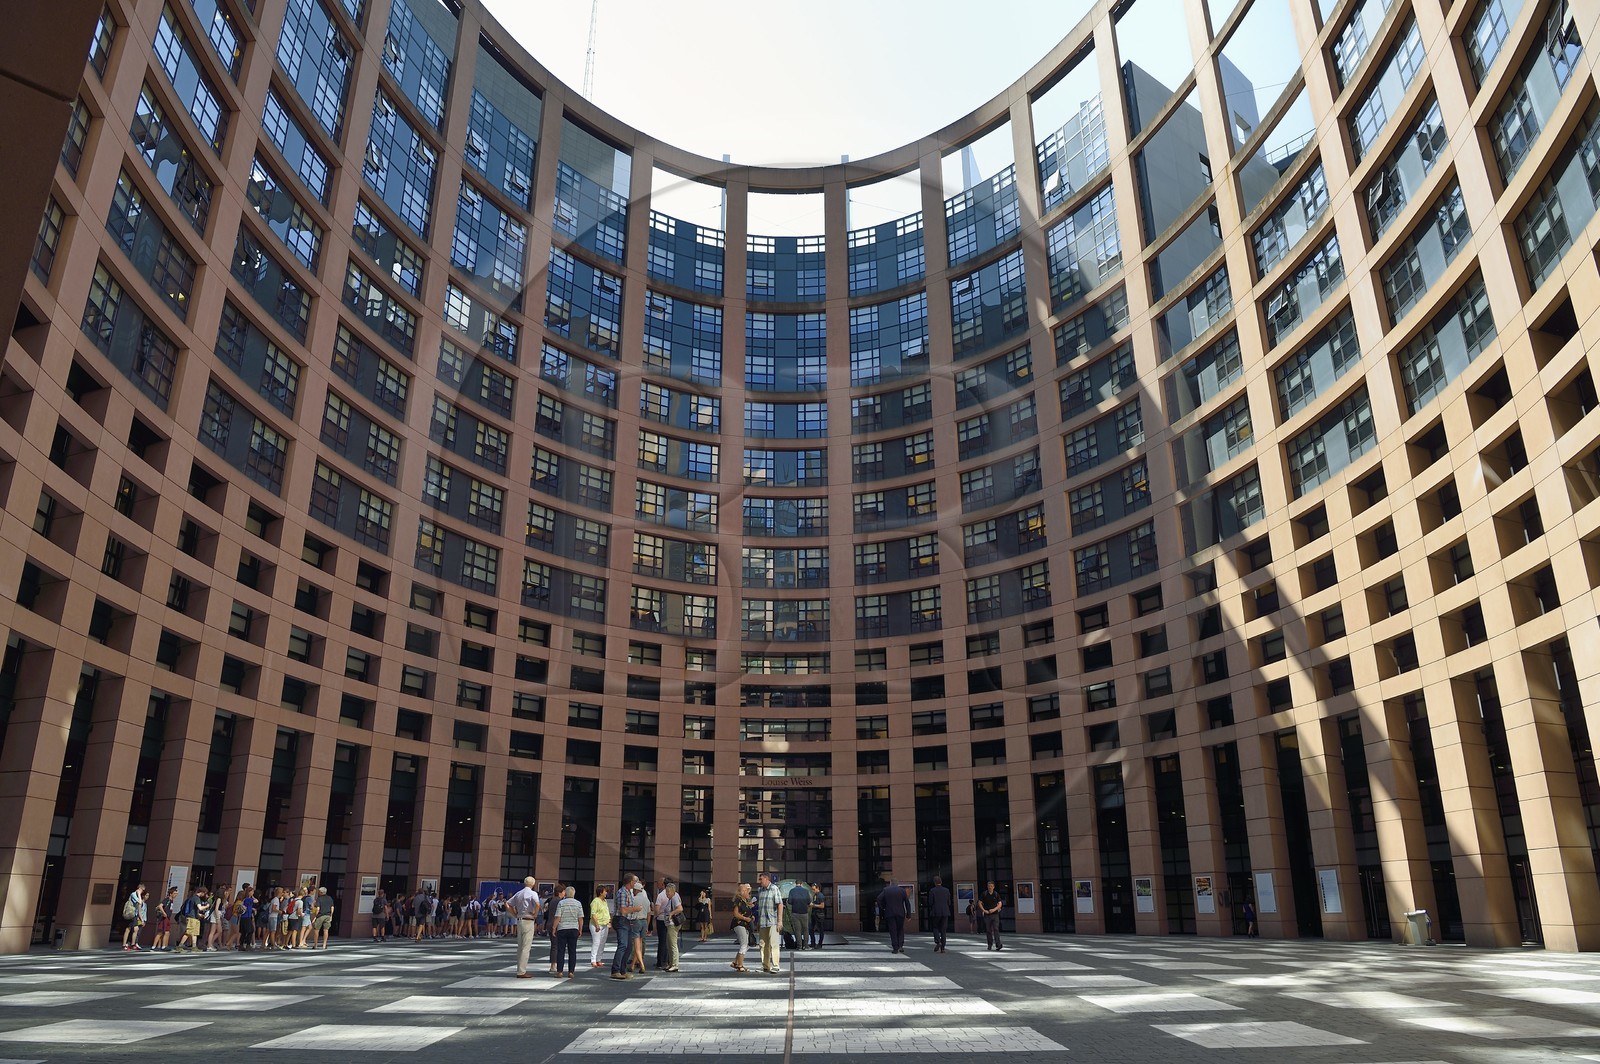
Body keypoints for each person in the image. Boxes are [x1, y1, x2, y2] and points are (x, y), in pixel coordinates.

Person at [610, 875, 647, 980]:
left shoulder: (628, 892)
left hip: (627, 921)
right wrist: (635, 909)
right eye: (634, 881)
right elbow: (623, 910)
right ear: (630, 882)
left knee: (629, 947)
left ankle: (622, 971)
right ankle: (615, 970)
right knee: (623, 945)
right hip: (621, 920)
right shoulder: (622, 892)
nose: (635, 883)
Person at [510, 876, 541, 978]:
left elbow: (508, 904)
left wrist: (514, 914)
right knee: (526, 947)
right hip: (528, 920)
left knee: (520, 946)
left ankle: (519, 969)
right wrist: (535, 914)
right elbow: (537, 904)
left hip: (520, 920)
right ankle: (522, 971)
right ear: (533, 884)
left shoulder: (519, 893)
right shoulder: (533, 893)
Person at [753, 871, 784, 973]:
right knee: (763, 944)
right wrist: (758, 922)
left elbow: (780, 904)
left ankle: (775, 965)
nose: (759, 881)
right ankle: (766, 965)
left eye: (761, 879)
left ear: (766, 879)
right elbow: (760, 907)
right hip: (763, 921)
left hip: (773, 921)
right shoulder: (760, 890)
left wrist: (779, 921)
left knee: (773, 944)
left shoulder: (774, 889)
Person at [552, 886, 584, 978]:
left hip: (562, 928)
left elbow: (558, 917)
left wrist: (554, 928)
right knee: (572, 951)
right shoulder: (578, 903)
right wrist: (580, 929)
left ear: (565, 893)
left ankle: (560, 972)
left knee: (561, 951)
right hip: (574, 928)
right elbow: (580, 918)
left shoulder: (561, 903)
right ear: (574, 894)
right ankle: (571, 972)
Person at [654, 877, 682, 972]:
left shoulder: (674, 898)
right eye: (666, 892)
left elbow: (680, 908)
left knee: (672, 944)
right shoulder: (673, 897)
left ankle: (674, 964)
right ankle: (671, 963)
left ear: (672, 891)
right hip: (669, 924)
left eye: (668, 892)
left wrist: (671, 914)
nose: (666, 894)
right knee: (669, 944)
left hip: (672, 924)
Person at [879, 880, 909, 954]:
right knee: (900, 929)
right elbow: (907, 903)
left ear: (890, 883)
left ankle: (895, 947)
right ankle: (900, 945)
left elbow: (879, 898)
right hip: (900, 913)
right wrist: (909, 914)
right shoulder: (902, 891)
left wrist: (883, 907)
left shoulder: (886, 890)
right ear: (897, 884)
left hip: (890, 913)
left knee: (893, 930)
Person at [729, 883, 753, 972]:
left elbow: (747, 911)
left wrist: (751, 917)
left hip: (745, 924)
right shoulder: (738, 900)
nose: (747, 892)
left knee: (746, 945)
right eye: (745, 891)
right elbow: (735, 914)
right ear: (741, 892)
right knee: (744, 944)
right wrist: (745, 918)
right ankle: (740, 965)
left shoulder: (745, 900)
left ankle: (736, 963)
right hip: (739, 924)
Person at [927, 876, 953, 953]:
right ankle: (943, 948)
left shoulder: (932, 890)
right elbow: (949, 902)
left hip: (936, 912)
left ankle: (938, 941)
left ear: (934, 882)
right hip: (945, 912)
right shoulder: (946, 890)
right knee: (943, 930)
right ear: (941, 882)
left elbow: (930, 902)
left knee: (935, 927)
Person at [588, 885, 611, 968]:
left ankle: (599, 959)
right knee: (596, 942)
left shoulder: (604, 901)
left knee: (602, 942)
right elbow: (593, 914)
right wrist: (597, 925)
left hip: (604, 924)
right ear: (600, 892)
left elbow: (606, 912)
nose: (606, 893)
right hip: (596, 925)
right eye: (605, 891)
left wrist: (609, 921)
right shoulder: (595, 901)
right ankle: (593, 960)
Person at [787, 880, 813, 950]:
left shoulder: (792, 891)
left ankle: (799, 946)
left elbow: (789, 902)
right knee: (805, 929)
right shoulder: (806, 891)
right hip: (804, 913)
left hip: (795, 912)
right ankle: (806, 946)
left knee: (797, 930)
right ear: (801, 884)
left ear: (795, 884)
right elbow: (808, 902)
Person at [979, 880, 1004, 952]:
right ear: (987, 887)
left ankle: (998, 944)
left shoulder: (996, 894)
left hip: (995, 914)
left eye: (991, 886)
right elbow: (980, 902)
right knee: (988, 930)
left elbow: (1000, 903)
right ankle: (989, 944)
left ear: (993, 887)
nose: (990, 887)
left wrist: (994, 909)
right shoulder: (984, 894)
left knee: (996, 929)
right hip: (987, 914)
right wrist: (984, 910)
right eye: (989, 886)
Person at [121, 884, 147, 951]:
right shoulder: (133, 894)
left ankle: (133, 944)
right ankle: (124, 945)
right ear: (139, 888)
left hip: (135, 914)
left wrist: (141, 918)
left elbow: (139, 908)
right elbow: (140, 902)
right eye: (142, 890)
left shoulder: (138, 895)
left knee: (136, 929)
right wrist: (139, 894)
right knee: (128, 929)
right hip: (130, 913)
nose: (142, 892)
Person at [237, 886, 257, 950]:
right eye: (252, 891)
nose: (253, 893)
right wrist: (252, 897)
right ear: (249, 892)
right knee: (250, 930)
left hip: (244, 917)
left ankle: (241, 944)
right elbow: (256, 901)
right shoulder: (248, 899)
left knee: (244, 931)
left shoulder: (245, 899)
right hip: (247, 917)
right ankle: (248, 944)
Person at [808, 883, 825, 949]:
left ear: (818, 888)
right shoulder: (815, 895)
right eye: (812, 889)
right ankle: (813, 943)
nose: (813, 891)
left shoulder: (820, 895)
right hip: (814, 913)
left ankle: (820, 944)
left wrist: (814, 905)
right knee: (811, 929)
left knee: (820, 930)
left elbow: (822, 906)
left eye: (814, 889)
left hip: (819, 914)